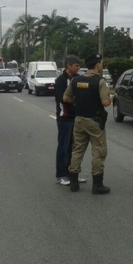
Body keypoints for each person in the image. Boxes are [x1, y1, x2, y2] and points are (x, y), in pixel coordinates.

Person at [63, 53, 111, 194]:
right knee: (98, 151)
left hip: (79, 120)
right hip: (95, 122)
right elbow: (105, 102)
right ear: (97, 65)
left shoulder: (76, 80)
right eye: (101, 64)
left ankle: (73, 183)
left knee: (77, 149)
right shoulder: (100, 81)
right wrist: (110, 97)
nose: (101, 66)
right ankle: (97, 184)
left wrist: (79, 102)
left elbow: (66, 98)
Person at [54, 55, 86, 186]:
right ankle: (61, 175)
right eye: (76, 65)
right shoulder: (61, 80)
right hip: (65, 118)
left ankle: (73, 173)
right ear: (68, 66)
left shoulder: (77, 79)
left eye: (79, 65)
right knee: (64, 146)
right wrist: (77, 101)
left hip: (76, 118)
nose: (78, 68)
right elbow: (62, 99)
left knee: (75, 147)